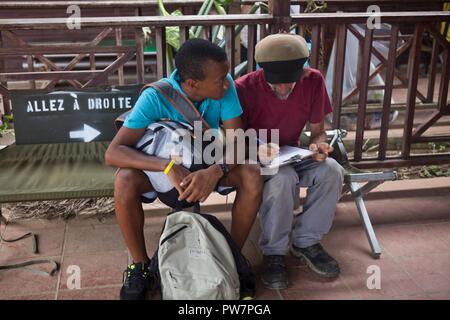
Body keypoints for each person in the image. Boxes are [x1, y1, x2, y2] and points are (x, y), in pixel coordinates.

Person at [105, 38, 263, 300]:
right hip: (161, 172)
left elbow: (239, 143)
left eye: (226, 76)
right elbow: (113, 153)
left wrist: (215, 171)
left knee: (252, 174)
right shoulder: (155, 97)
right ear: (192, 84)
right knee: (124, 180)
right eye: (220, 79)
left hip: (208, 163)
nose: (227, 83)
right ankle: (140, 266)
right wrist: (166, 166)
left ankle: (231, 259)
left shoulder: (225, 87)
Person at [235, 33, 345, 290]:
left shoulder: (313, 80)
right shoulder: (243, 87)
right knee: (283, 178)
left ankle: (305, 241)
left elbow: (318, 130)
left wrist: (318, 145)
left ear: (303, 71)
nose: (283, 89)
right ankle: (274, 252)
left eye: (290, 82)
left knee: (332, 171)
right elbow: (235, 140)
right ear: (262, 70)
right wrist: (260, 151)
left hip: (293, 153)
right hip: (257, 158)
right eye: (277, 83)